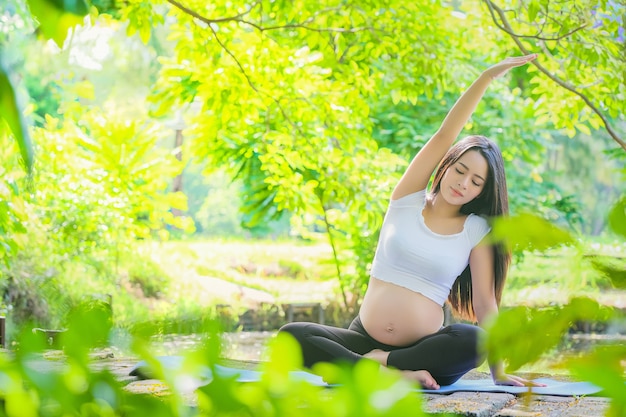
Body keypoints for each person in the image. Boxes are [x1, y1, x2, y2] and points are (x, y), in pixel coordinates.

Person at [278, 54, 546, 390]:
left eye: (476, 182)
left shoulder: (476, 230)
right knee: (291, 335)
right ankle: (382, 372)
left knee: (475, 340)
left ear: (483, 191)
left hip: (423, 355)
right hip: (361, 341)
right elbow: (445, 133)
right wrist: (486, 78)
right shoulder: (407, 198)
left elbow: (484, 304)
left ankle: (381, 367)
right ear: (446, 166)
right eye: (460, 170)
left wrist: (498, 371)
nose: (463, 183)